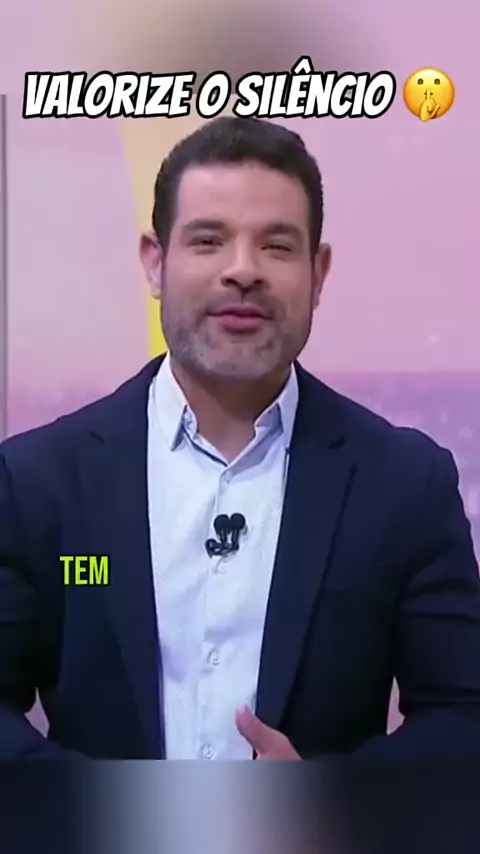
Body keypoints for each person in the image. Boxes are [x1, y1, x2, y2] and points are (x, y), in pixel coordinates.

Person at [1, 116, 480, 761]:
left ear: (318, 272)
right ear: (155, 263)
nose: (243, 271)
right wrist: (101, 806)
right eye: (208, 241)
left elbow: (462, 717)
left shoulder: (405, 485)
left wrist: (330, 801)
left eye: (277, 246)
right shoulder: (37, 482)